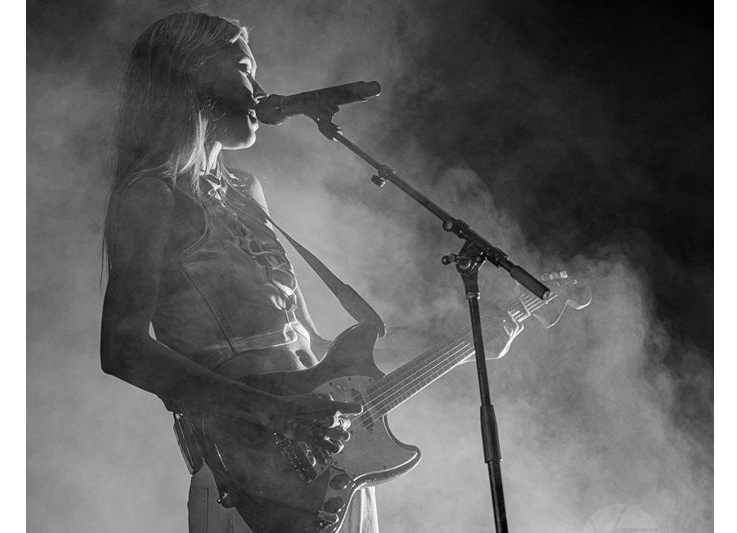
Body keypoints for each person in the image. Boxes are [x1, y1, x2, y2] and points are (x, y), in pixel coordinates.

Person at [100, 11, 523, 533]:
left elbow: (317, 346)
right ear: (190, 74)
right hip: (246, 480)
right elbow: (122, 349)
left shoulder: (246, 190)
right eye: (243, 67)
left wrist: (460, 340)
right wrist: (275, 413)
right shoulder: (151, 195)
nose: (259, 87)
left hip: (327, 473)